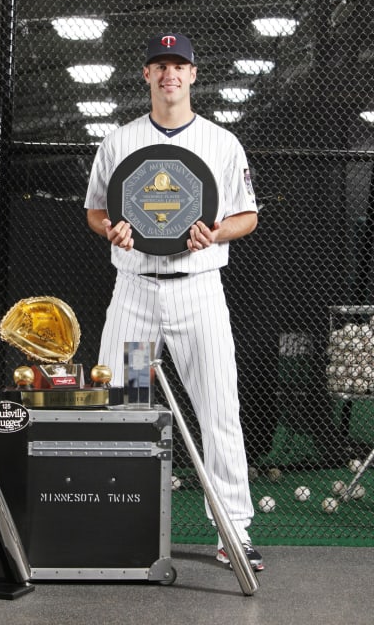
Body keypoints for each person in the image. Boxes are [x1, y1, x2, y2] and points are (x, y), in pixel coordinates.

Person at [84, 32, 263, 571]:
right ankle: (121, 525)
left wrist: (216, 232)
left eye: (178, 65)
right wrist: (109, 231)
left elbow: (248, 215)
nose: (169, 74)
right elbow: (96, 210)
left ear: (192, 74)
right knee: (124, 405)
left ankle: (233, 531)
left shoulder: (222, 142)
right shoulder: (119, 142)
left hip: (198, 295)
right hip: (137, 294)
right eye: (159, 65)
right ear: (145, 75)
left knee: (217, 409)